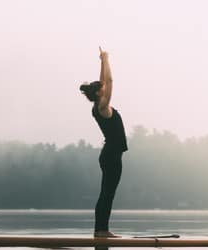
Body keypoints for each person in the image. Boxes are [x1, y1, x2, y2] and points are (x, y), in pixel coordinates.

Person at [79, 47, 128, 238]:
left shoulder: (97, 105)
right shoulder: (102, 106)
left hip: (109, 155)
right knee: (108, 194)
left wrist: (101, 61)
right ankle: (101, 231)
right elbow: (109, 81)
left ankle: (100, 230)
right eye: (103, 89)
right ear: (100, 94)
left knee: (106, 193)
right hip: (111, 156)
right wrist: (107, 59)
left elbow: (103, 82)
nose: (105, 88)